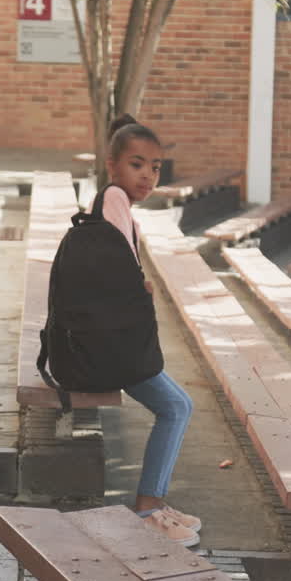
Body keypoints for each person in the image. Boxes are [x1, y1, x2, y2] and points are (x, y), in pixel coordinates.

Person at [99, 114, 201, 547]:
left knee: (178, 405)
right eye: (137, 164)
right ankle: (148, 508)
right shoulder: (113, 201)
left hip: (111, 339)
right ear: (112, 165)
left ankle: (154, 503)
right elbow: (122, 274)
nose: (147, 175)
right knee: (176, 407)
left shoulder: (115, 204)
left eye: (155, 167)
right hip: (111, 344)